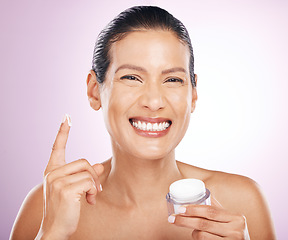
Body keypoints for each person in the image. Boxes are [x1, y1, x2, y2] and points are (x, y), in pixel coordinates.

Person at [10, 6, 275, 240]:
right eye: (131, 78)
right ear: (94, 90)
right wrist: (51, 234)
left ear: (193, 95)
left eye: (172, 80)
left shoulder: (242, 204)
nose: (154, 101)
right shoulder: (46, 206)